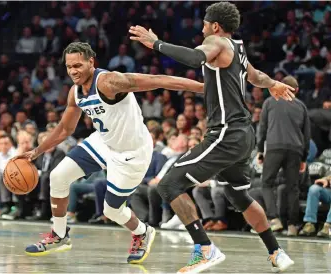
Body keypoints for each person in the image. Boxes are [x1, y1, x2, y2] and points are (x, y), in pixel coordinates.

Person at [129, 2, 295, 273]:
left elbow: (195, 59)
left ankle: (205, 249)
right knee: (238, 196)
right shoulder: (238, 49)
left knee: (169, 185)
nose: (202, 28)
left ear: (215, 26)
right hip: (243, 135)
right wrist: (273, 84)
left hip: (226, 133)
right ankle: (276, 252)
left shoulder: (216, 43)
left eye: (205, 24)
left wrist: (156, 43)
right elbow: (256, 76)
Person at [15, 42, 203, 264]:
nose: (73, 71)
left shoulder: (110, 81)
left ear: (91, 62)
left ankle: (143, 231)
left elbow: (158, 80)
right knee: (58, 176)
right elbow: (66, 129)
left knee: (112, 210)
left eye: (77, 65)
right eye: (68, 67)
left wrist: (203, 88)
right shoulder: (75, 93)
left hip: (132, 152)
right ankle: (59, 235)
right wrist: (36, 152)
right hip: (103, 142)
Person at [257, 75, 310, 236]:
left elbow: (262, 128)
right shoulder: (301, 106)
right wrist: (304, 158)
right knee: (293, 187)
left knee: (266, 183)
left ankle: (274, 220)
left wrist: (260, 149)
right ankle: (293, 226)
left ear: (280, 86)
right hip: (295, 150)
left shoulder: (269, 102)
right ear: (297, 90)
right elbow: (306, 134)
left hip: (274, 147)